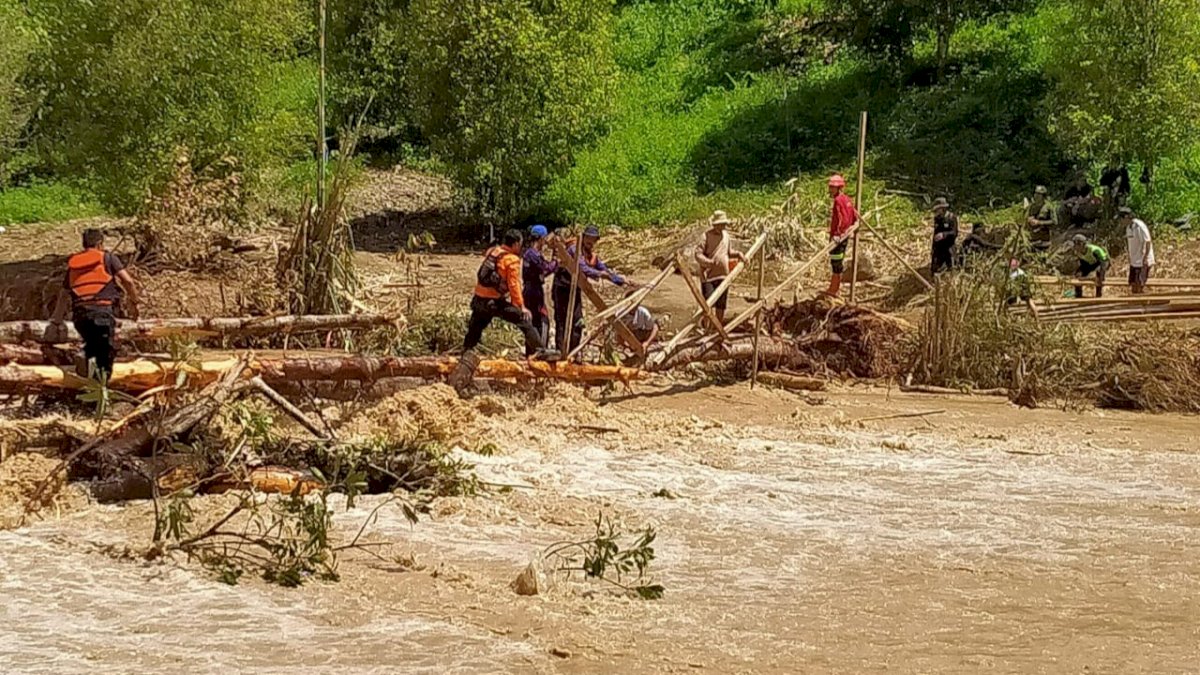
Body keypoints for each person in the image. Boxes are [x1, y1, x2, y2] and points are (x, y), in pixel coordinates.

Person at [51, 228, 139, 380]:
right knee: (105, 358)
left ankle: (85, 357)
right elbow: (128, 281)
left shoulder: (74, 265)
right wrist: (134, 303)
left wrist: (57, 319)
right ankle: (99, 386)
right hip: (101, 313)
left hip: (80, 316)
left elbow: (64, 293)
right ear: (100, 244)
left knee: (93, 343)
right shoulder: (108, 258)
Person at [462, 229, 555, 359]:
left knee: (476, 327)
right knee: (525, 321)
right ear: (516, 244)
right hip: (494, 301)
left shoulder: (493, 251)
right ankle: (540, 351)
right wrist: (521, 307)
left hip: (479, 299)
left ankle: (465, 352)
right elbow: (514, 285)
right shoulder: (512, 260)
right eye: (520, 244)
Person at [552, 225, 626, 353]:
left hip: (576, 290)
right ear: (584, 237)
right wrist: (599, 274)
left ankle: (573, 353)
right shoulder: (574, 249)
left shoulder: (590, 254)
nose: (590, 243)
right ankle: (561, 352)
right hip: (563, 288)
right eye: (589, 239)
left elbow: (603, 268)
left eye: (593, 240)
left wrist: (620, 280)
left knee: (578, 322)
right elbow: (582, 268)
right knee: (562, 322)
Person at [694, 210, 744, 323]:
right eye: (720, 224)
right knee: (708, 303)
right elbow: (698, 254)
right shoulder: (706, 236)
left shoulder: (726, 236)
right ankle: (707, 326)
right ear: (715, 224)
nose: (722, 226)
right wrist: (708, 262)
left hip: (723, 276)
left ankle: (718, 327)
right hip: (709, 276)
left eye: (723, 224)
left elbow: (729, 252)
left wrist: (739, 254)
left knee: (721, 305)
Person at [521, 224, 557, 344]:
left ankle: (531, 350)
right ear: (541, 239)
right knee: (542, 320)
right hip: (534, 292)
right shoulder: (534, 255)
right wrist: (556, 261)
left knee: (532, 321)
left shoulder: (529, 254)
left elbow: (543, 271)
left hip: (529, 290)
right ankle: (540, 349)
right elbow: (545, 268)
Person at [825, 174, 858, 297]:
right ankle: (834, 287)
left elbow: (842, 218)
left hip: (839, 237)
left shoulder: (839, 200)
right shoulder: (847, 199)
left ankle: (834, 288)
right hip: (845, 235)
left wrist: (838, 234)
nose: (830, 190)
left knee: (836, 261)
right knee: (838, 261)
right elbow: (853, 215)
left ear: (838, 188)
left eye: (833, 187)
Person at [1121, 207, 1155, 294]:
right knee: (1133, 285)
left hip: (1143, 260)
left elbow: (1147, 242)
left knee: (1139, 284)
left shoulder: (1139, 226)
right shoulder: (1128, 228)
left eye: (1122, 218)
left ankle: (1142, 304)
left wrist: (1146, 257)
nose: (1121, 221)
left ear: (1127, 217)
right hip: (1134, 261)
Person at [1071, 234, 1110, 298]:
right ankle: (1078, 294)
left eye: (1077, 245)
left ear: (1082, 244)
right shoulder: (1077, 252)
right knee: (1078, 275)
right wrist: (1080, 273)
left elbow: (1103, 263)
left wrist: (1101, 276)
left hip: (1102, 262)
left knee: (1099, 274)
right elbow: (1082, 263)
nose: (1075, 247)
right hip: (1089, 263)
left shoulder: (1094, 250)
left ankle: (1098, 294)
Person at [930, 197, 959, 275]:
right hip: (939, 248)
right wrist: (933, 249)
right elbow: (935, 233)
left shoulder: (952, 218)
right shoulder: (937, 219)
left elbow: (954, 233)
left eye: (938, 209)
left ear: (943, 208)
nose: (937, 212)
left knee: (951, 268)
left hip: (949, 246)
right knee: (935, 270)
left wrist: (944, 235)